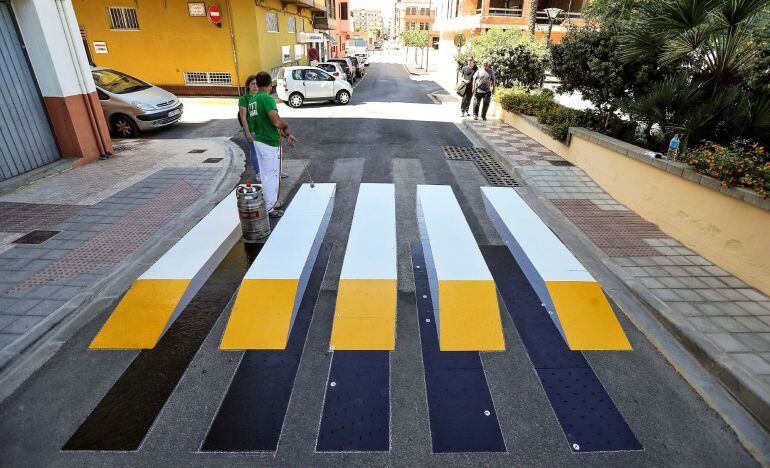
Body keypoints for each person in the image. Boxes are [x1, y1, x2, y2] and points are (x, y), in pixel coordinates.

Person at [247, 71, 297, 218]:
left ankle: (271, 202)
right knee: (272, 176)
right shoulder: (267, 99)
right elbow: (275, 121)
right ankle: (270, 207)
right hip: (269, 144)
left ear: (258, 83)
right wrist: (286, 128)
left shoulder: (252, 101)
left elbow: (265, 124)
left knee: (265, 174)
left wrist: (284, 134)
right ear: (270, 85)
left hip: (259, 141)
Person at [238, 75, 260, 182]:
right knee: (254, 151)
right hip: (251, 130)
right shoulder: (244, 99)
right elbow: (243, 118)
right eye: (253, 84)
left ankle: (272, 171)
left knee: (265, 152)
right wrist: (248, 133)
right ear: (248, 86)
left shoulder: (259, 97)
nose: (255, 86)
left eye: (257, 84)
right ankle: (258, 173)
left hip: (261, 130)